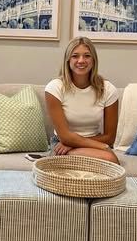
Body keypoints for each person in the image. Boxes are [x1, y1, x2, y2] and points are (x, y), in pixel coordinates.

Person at [44, 36, 120, 164]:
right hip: (61, 146)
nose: (81, 60)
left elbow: (110, 137)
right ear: (68, 60)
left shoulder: (108, 89)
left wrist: (75, 143)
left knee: (110, 159)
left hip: (93, 144)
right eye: (75, 56)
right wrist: (102, 147)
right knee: (110, 159)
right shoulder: (55, 88)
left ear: (94, 60)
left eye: (87, 56)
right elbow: (65, 136)